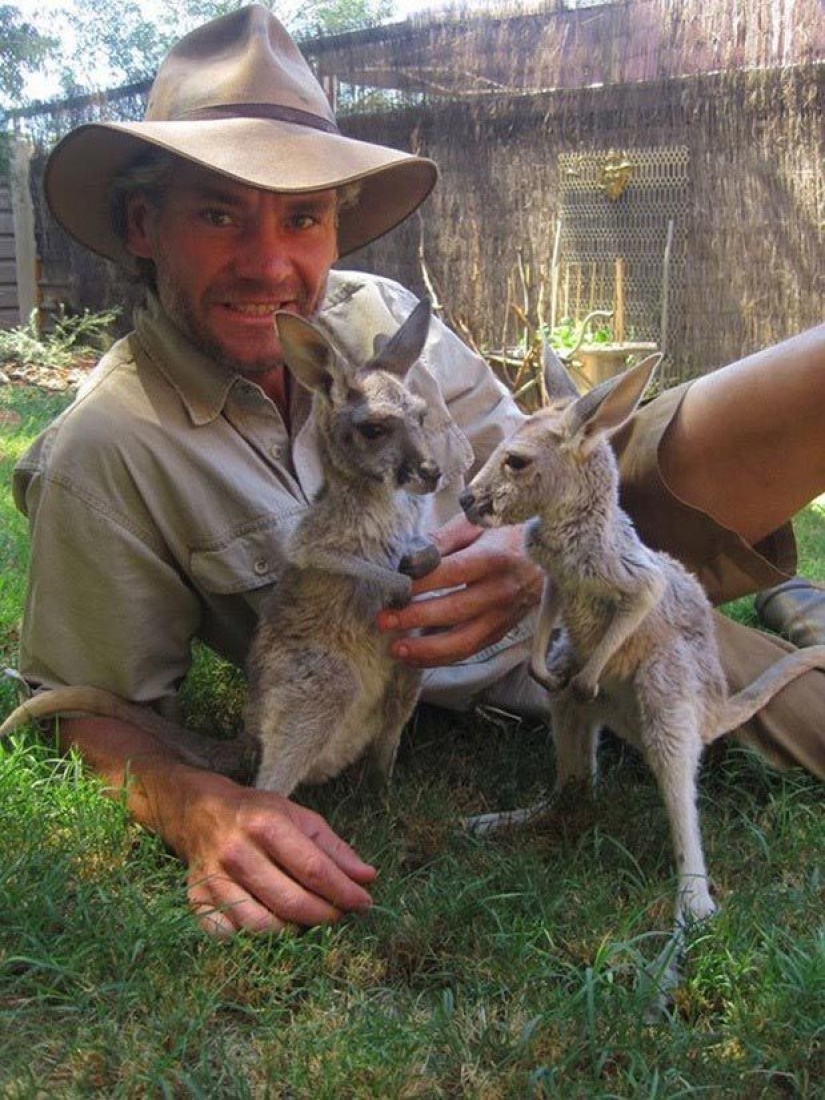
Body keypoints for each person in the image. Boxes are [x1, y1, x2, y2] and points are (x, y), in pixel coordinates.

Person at [10, 6, 824, 938]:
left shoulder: (381, 316)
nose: (268, 264)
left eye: (303, 217)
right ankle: (791, 607)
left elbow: (536, 461)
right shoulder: (108, 448)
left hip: (580, 551)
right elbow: (82, 709)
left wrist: (525, 555)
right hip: (542, 656)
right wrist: (200, 807)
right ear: (143, 224)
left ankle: (784, 593)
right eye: (218, 214)